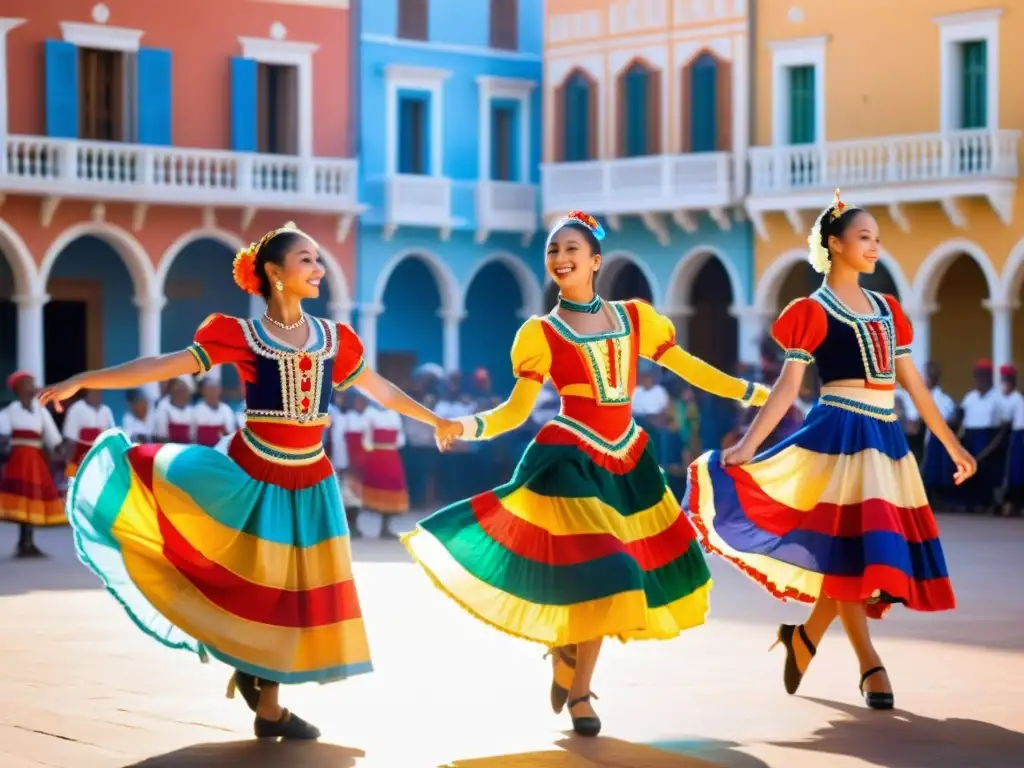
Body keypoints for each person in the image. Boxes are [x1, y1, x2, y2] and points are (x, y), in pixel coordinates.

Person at [39, 222, 454, 740]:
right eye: (307, 260)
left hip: (311, 479)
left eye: (318, 259)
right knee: (257, 582)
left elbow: (382, 390)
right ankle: (263, 691)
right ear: (276, 274)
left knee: (295, 590)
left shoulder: (334, 339)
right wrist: (84, 379)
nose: (319, 268)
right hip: (253, 473)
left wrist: (433, 418)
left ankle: (269, 705)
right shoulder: (240, 335)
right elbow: (160, 367)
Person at [403, 210, 769, 737]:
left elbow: (689, 367)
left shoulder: (635, 319)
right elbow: (514, 411)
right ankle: (573, 673)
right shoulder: (540, 333)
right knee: (611, 571)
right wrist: (466, 425)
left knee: (610, 581)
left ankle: (576, 679)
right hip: (570, 458)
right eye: (552, 251)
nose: (560, 258)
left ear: (595, 260)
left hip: (626, 462)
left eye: (570, 249)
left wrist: (755, 394)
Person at [686, 190, 976, 711]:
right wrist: (750, 444)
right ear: (835, 244)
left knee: (856, 556)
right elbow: (786, 386)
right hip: (837, 437)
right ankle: (870, 664)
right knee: (854, 553)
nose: (874, 247)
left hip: (884, 441)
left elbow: (913, 385)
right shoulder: (812, 310)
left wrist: (951, 442)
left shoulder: (889, 310)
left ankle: (805, 638)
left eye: (878, 240)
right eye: (864, 238)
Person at [0, 372, 65, 557]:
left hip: (35, 460)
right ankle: (24, 542)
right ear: (18, 389)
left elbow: (52, 435)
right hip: (19, 460)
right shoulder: (10, 410)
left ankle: (28, 542)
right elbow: (3, 432)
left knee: (33, 498)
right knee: (22, 500)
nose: (32, 387)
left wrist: (59, 449)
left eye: (32, 383)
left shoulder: (40, 410)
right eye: (27, 384)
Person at [361, 404, 409, 538]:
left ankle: (385, 526)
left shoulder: (372, 412)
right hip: (387, 455)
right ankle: (384, 526)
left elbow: (366, 440)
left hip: (380, 455)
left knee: (390, 487)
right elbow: (401, 440)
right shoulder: (391, 413)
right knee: (386, 486)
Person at [920, 362, 957, 511]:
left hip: (938, 439)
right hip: (923, 437)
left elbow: (947, 418)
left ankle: (939, 499)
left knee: (936, 470)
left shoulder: (943, 400)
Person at [61, 389, 114, 480]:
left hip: (100, 454)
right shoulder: (76, 408)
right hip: (79, 456)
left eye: (99, 391)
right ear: (88, 391)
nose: (97, 394)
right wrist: (70, 462)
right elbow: (70, 439)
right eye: (94, 391)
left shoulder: (106, 410)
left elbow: (111, 435)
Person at [998, 364, 1024, 516]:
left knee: (1016, 471)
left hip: (1016, 436)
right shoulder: (999, 398)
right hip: (1006, 438)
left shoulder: (1017, 399)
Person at [192, 376, 237, 447]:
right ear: (203, 391)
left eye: (215, 389)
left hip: (220, 449)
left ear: (220, 390)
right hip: (201, 449)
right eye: (209, 389)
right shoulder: (196, 410)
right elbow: (192, 436)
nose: (212, 392)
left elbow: (230, 434)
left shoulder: (226, 409)